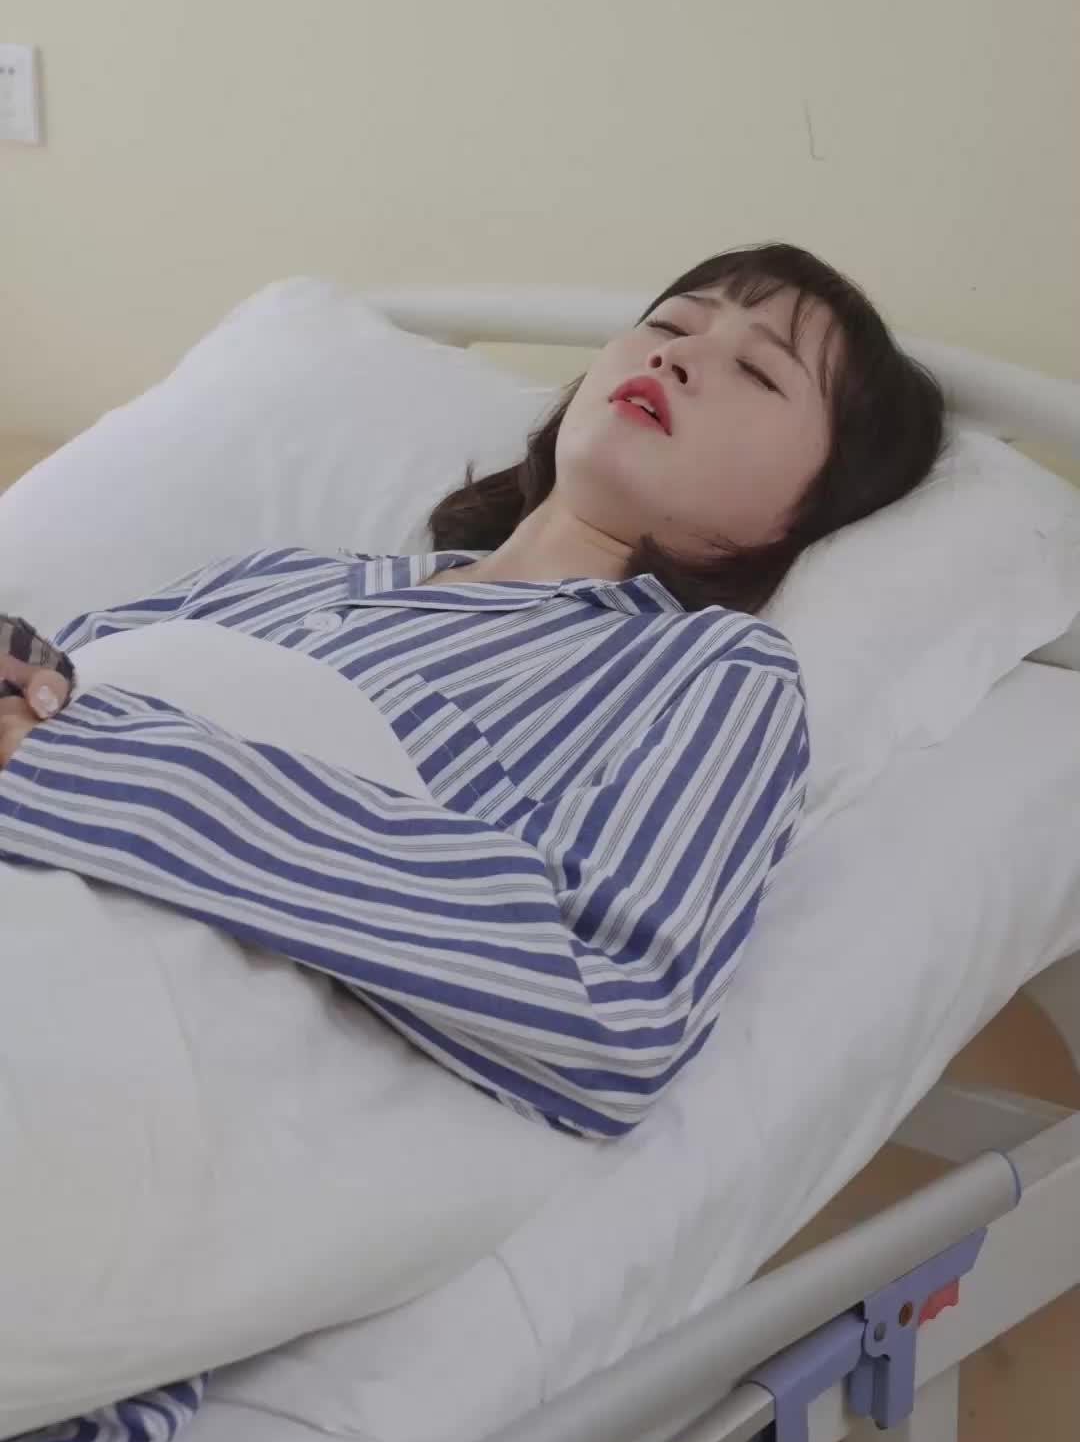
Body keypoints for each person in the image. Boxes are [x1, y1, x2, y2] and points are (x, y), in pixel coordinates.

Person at [0, 243, 944, 1140]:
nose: (680, 356)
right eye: (672, 323)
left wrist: (93, 765)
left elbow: (616, 1009)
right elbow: (56, 687)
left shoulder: (715, 672)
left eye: (760, 372)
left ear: (808, 510)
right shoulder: (288, 578)